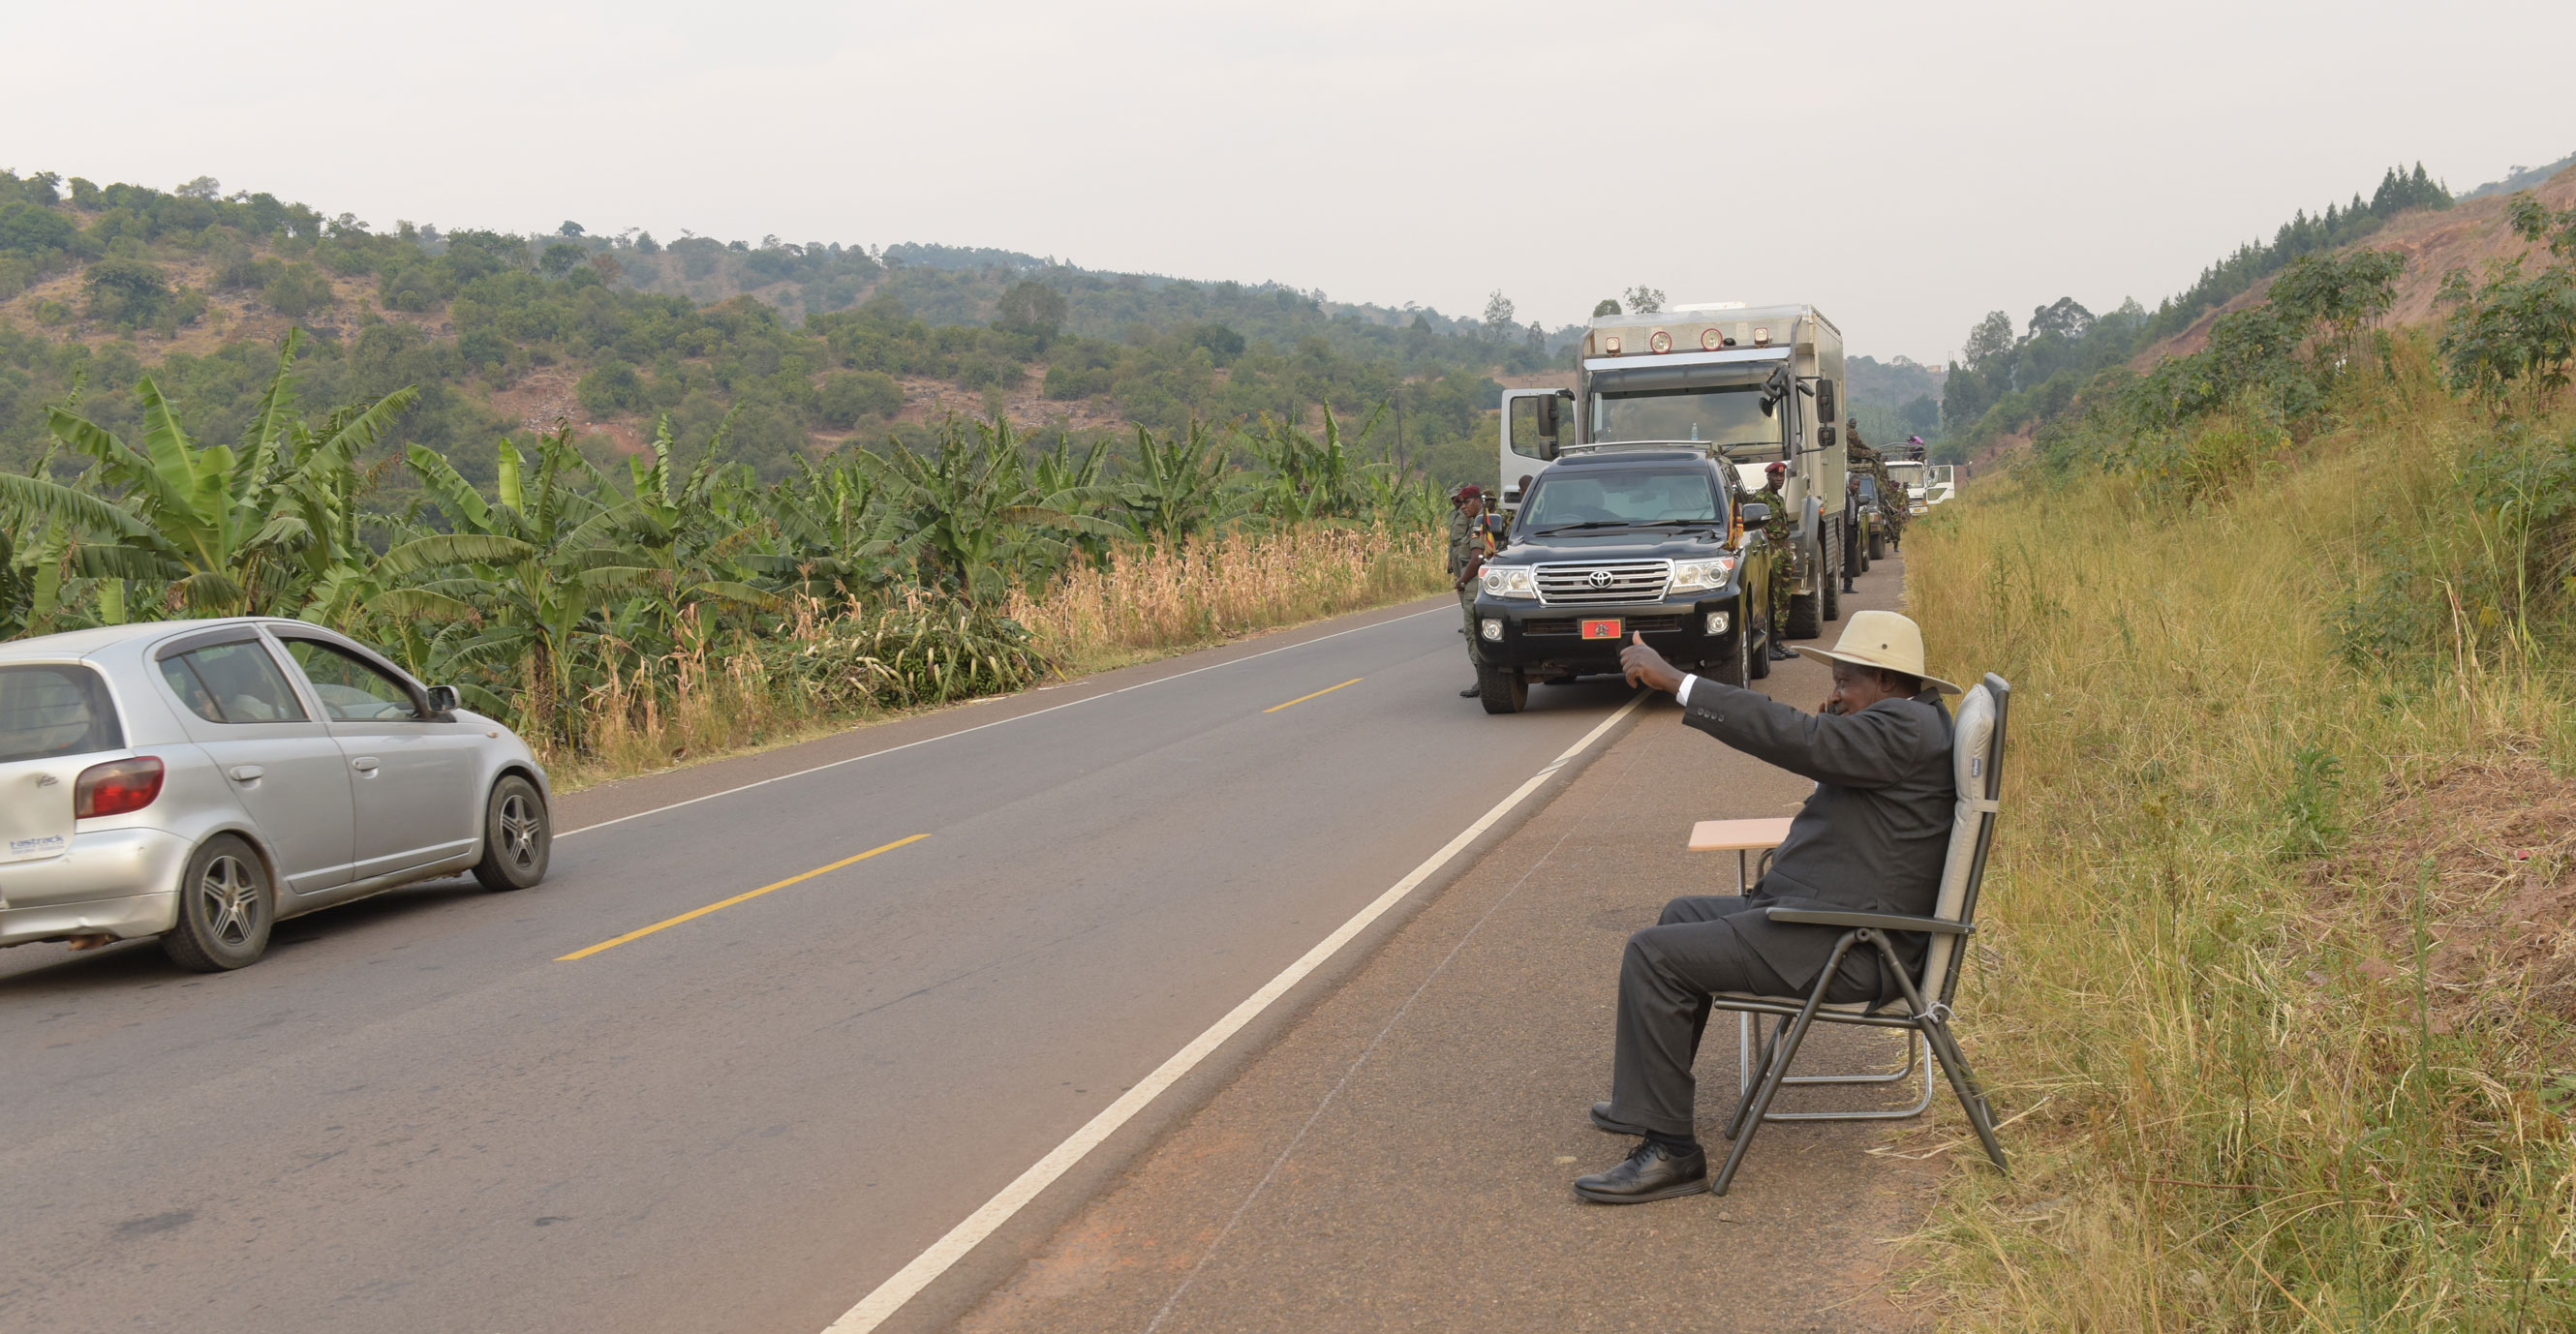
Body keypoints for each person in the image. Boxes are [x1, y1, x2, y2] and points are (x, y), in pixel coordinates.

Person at [1571, 611, 1960, 1203]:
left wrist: (1678, 682)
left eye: (1844, 682)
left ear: (1884, 679)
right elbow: (1830, 749)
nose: (1833, 695)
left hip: (1848, 942)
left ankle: (1672, 1152)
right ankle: (1646, 1103)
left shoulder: (1900, 730)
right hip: (1834, 918)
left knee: (1653, 956)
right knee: (1679, 915)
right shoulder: (1911, 722)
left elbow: (1799, 738)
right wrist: (1842, 712)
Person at [1751, 463, 1797, 659]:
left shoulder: (1778, 499)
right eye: (1776, 477)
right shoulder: (1760, 498)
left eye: (1782, 477)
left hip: (1783, 550)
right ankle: (1769, 643)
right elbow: (1757, 529)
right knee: (1772, 597)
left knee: (1784, 596)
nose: (1779, 479)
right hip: (1770, 551)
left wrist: (1789, 554)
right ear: (1768, 477)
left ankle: (1778, 641)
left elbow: (1784, 529)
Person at [1450, 485, 1493, 698]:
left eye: (1466, 502)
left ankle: (1483, 680)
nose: (1463, 507)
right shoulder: (1487, 518)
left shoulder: (1479, 522)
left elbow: (1477, 558)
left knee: (1472, 632)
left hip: (1475, 582)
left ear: (1477, 500)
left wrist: (1461, 581)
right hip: (1486, 582)